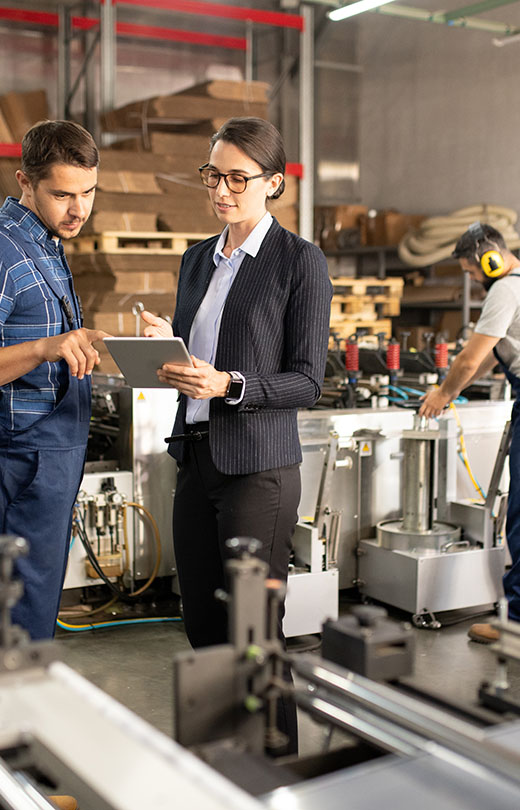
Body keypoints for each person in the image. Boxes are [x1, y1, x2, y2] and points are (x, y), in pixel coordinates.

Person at [140, 117, 332, 755]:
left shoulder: (299, 262)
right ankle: (224, 759)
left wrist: (231, 386)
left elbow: (307, 381)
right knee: (200, 618)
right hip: (197, 458)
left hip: (259, 471)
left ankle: (274, 764)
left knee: (253, 628)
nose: (221, 190)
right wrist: (161, 348)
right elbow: (196, 363)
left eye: (237, 179)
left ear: (273, 183)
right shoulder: (197, 260)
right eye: (212, 176)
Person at [0, 120, 109, 640]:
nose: (78, 210)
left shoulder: (47, 244)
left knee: (31, 614)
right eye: (62, 194)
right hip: (16, 464)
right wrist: (43, 348)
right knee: (2, 618)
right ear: (24, 182)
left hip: (51, 463)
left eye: (88, 193)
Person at [418, 222, 520, 644]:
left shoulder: (505, 290)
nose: (473, 280)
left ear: (490, 260)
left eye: (472, 271)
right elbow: (498, 351)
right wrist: (460, 385)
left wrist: (443, 393)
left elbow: (471, 358)